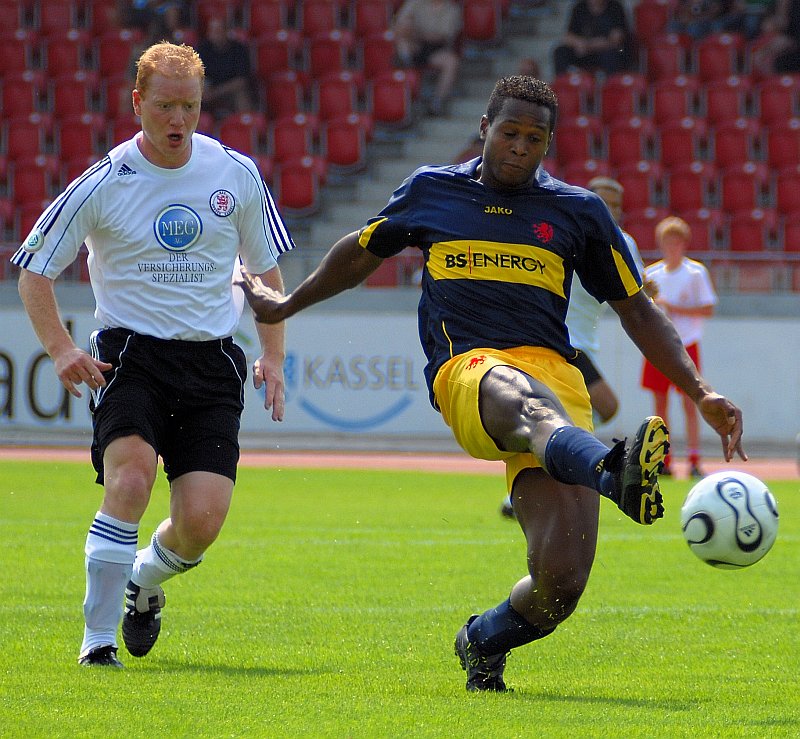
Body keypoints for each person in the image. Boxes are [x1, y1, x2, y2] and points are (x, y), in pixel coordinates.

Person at [235, 75, 746, 692]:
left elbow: (637, 309)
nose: (519, 147)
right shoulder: (432, 190)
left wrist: (700, 390)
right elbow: (360, 253)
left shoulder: (578, 211)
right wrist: (285, 304)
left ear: (549, 143)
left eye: (535, 138)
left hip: (557, 375)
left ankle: (482, 639)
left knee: (561, 583)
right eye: (509, 132)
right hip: (469, 368)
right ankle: (612, 471)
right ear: (484, 128)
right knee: (524, 401)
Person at [11, 42, 294, 668]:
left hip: (212, 363)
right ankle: (98, 640)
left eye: (189, 107)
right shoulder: (105, 180)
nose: (178, 120)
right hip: (131, 358)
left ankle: (142, 581)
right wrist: (60, 348)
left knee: (201, 524)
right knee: (131, 479)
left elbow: (265, 270)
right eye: (165, 106)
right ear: (137, 102)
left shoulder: (235, 174)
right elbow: (34, 271)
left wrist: (273, 354)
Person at [498, 175, 649, 518]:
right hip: (563, 341)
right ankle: (550, 485)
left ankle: (545, 482)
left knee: (572, 419)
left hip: (584, 344)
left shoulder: (623, 242)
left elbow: (636, 290)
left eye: (616, 205)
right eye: (604, 203)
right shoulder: (570, 231)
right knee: (602, 406)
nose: (610, 210)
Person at [640, 216, 717, 479]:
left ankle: (694, 459)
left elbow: (708, 308)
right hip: (659, 344)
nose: (672, 247)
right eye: (667, 242)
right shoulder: (653, 275)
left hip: (686, 343)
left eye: (676, 242)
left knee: (691, 402)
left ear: (683, 244)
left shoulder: (695, 273)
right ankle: (664, 459)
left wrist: (674, 307)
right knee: (660, 406)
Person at [392, 0, 463, 116]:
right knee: (403, 38)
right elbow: (399, 26)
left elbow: (442, 36)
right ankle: (405, 76)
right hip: (413, 46)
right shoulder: (414, 3)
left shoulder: (451, 9)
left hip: (434, 49)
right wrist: (411, 32)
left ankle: (437, 102)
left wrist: (417, 34)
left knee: (451, 62)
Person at [552, 0, 636, 76]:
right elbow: (568, 36)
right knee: (560, 52)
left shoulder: (615, 7)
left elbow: (616, 40)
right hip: (584, 52)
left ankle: (612, 85)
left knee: (613, 55)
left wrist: (589, 45)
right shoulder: (579, 7)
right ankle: (563, 84)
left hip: (606, 51)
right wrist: (578, 43)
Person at [196, 16, 256, 120]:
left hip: (230, 90)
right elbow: (196, 74)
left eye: (218, 31)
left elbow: (241, 81)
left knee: (241, 95)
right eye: (212, 31)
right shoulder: (203, 49)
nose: (214, 34)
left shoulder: (239, 49)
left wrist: (216, 92)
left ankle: (245, 124)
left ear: (226, 31)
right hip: (208, 90)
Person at [667, 0, 735, 39]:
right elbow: (683, 10)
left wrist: (696, 19)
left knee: (694, 28)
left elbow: (715, 11)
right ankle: (675, 52)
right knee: (673, 25)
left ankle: (696, 53)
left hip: (710, 20)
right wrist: (686, 18)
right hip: (692, 19)